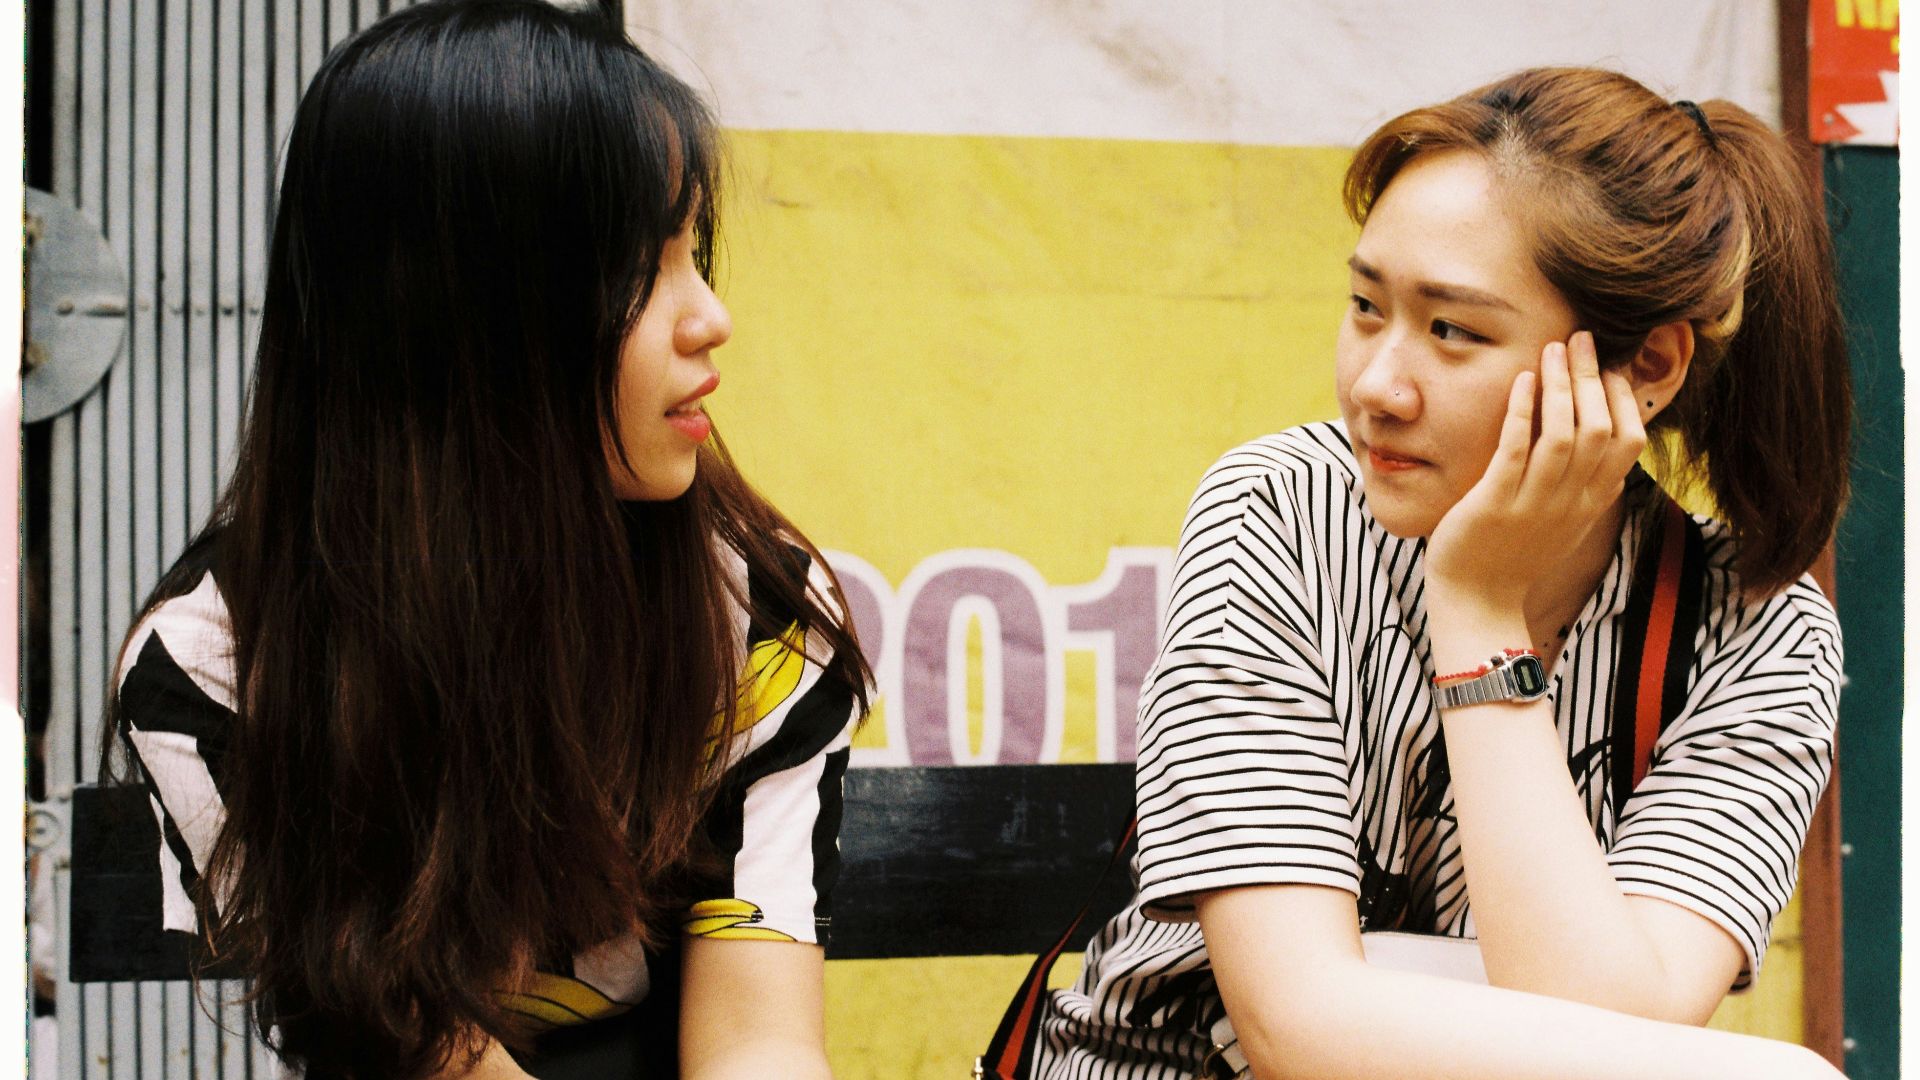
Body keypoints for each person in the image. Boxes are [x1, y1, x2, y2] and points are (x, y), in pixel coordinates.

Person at [1037, 67, 1851, 1079]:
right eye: (1366, 305)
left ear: (1645, 368)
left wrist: (1476, 616)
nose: (1377, 384)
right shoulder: (1281, 510)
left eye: (1452, 330)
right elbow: (1295, 1026)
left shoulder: (1760, 634)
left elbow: (1614, 1027)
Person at [103, 3, 869, 1077]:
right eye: (642, 268)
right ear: (456, 317)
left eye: (695, 249)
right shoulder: (215, 668)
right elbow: (423, 1054)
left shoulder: (760, 622)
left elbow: (761, 1044)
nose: (711, 318)